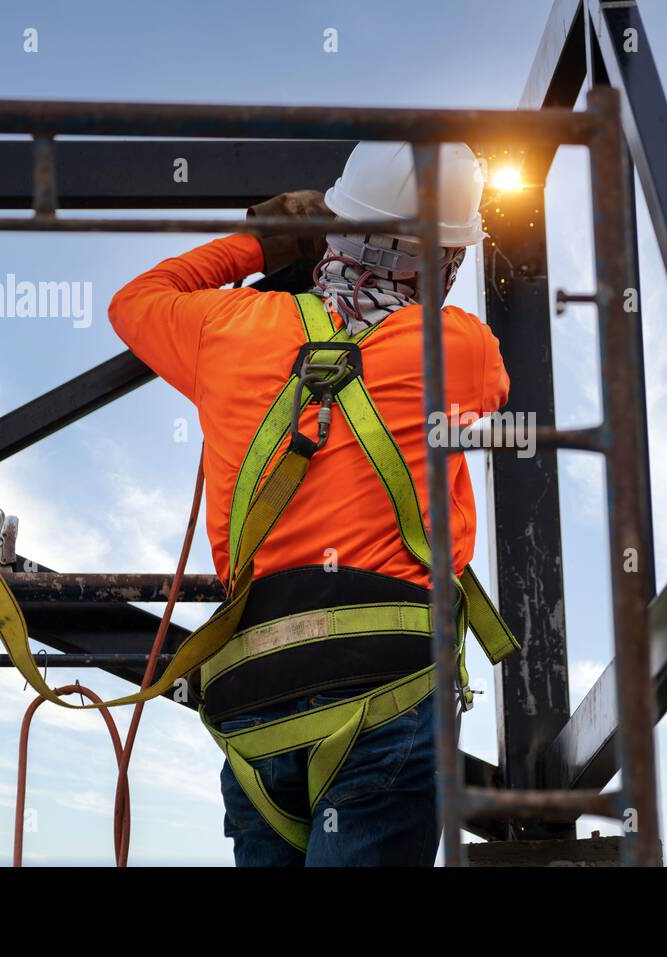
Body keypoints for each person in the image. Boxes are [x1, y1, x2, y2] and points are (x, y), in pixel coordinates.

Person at [107, 142, 510, 866]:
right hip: (388, 692)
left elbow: (134, 302)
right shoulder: (462, 350)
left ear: (334, 229)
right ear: (444, 258)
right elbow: (491, 397)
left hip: (253, 705)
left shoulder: (226, 330)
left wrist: (260, 247)